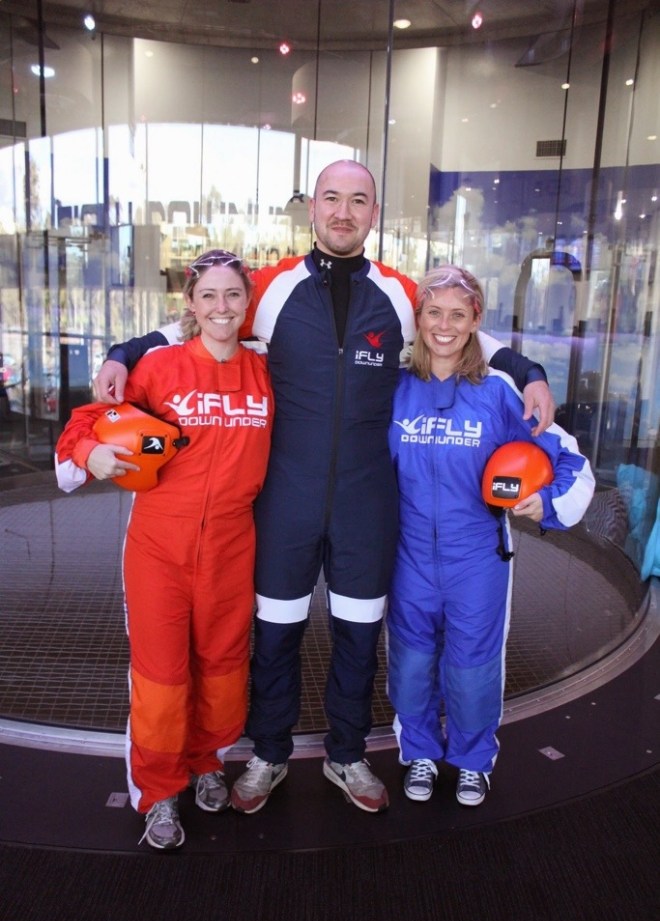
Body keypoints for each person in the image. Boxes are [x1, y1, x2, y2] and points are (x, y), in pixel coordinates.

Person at [92, 160, 556, 815]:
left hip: (366, 505)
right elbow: (201, 321)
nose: (343, 211)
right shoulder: (273, 287)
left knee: (358, 639)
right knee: (275, 637)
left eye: (357, 200)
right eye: (331, 198)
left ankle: (347, 754)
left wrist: (529, 371)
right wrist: (123, 352)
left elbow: (461, 329)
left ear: (373, 213)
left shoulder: (398, 293)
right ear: (312, 208)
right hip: (286, 499)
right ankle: (268, 754)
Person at [55, 251, 273, 848]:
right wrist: (90, 454)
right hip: (159, 545)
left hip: (233, 543)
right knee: (161, 676)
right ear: (191, 305)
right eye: (209, 295)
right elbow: (83, 425)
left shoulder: (266, 372)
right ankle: (158, 792)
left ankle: (207, 762)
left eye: (233, 295)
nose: (222, 307)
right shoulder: (159, 367)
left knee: (223, 667)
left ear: (247, 303)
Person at [386, 265, 595, 807]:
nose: (445, 326)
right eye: (434, 312)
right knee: (411, 664)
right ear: (418, 318)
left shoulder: (500, 393)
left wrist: (547, 502)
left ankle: (473, 759)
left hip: (477, 558)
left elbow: (570, 460)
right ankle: (420, 752)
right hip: (407, 557)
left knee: (472, 667)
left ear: (477, 320)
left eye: (458, 314)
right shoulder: (394, 388)